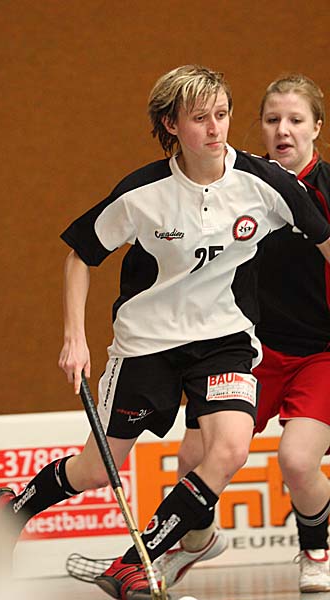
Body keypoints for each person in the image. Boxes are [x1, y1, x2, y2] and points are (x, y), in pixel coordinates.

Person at [0, 65, 330, 600]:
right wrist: (74, 337)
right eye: (200, 118)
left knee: (229, 449)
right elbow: (81, 255)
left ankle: (137, 563)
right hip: (147, 344)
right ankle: (11, 510)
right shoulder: (142, 193)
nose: (215, 129)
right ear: (171, 125)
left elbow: (324, 239)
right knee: (94, 470)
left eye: (222, 114)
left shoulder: (264, 183)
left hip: (224, 341)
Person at [167, 73, 330, 594]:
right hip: (249, 351)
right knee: (191, 458)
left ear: (316, 128)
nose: (283, 130)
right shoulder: (240, 185)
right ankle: (198, 540)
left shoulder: (325, 192)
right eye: (272, 119)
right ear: (259, 126)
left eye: (296, 120)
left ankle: (315, 548)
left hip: (321, 356)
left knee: (297, 460)